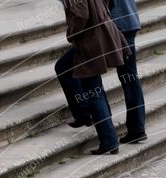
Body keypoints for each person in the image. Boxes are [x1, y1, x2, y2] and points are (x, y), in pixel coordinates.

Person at [55, 0, 131, 155]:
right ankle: (86, 115)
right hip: (101, 33)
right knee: (74, 74)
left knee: (93, 89)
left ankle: (109, 140)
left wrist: (72, 33)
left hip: (91, 40)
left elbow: (81, 14)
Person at [108, 0, 147, 144]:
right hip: (130, 21)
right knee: (130, 77)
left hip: (120, 25)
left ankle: (137, 128)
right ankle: (137, 127)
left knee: (129, 78)